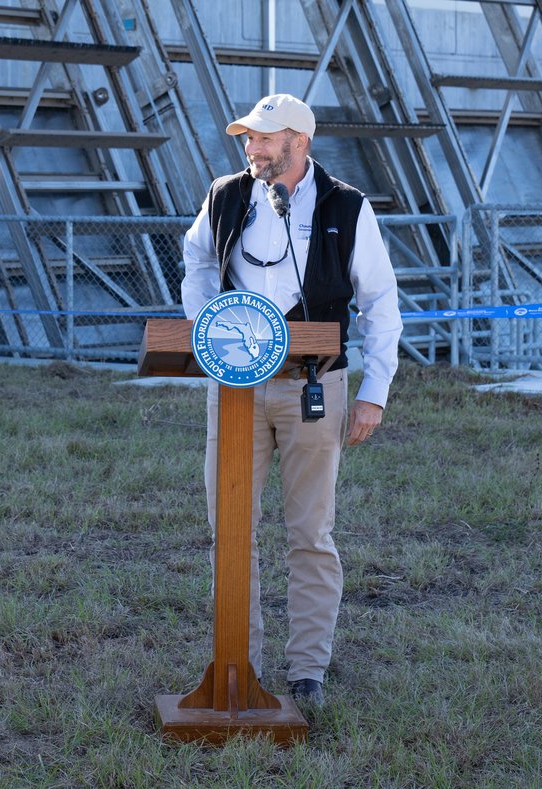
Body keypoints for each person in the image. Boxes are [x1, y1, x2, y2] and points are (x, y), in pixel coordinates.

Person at [180, 94, 403, 707]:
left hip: (316, 386)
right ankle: (238, 665)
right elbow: (196, 261)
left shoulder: (347, 207)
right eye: (247, 138)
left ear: (299, 142)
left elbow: (380, 306)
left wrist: (373, 395)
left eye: (262, 138)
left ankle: (308, 673)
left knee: (310, 533)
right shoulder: (226, 196)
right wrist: (206, 329)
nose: (250, 148)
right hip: (234, 389)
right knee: (231, 531)